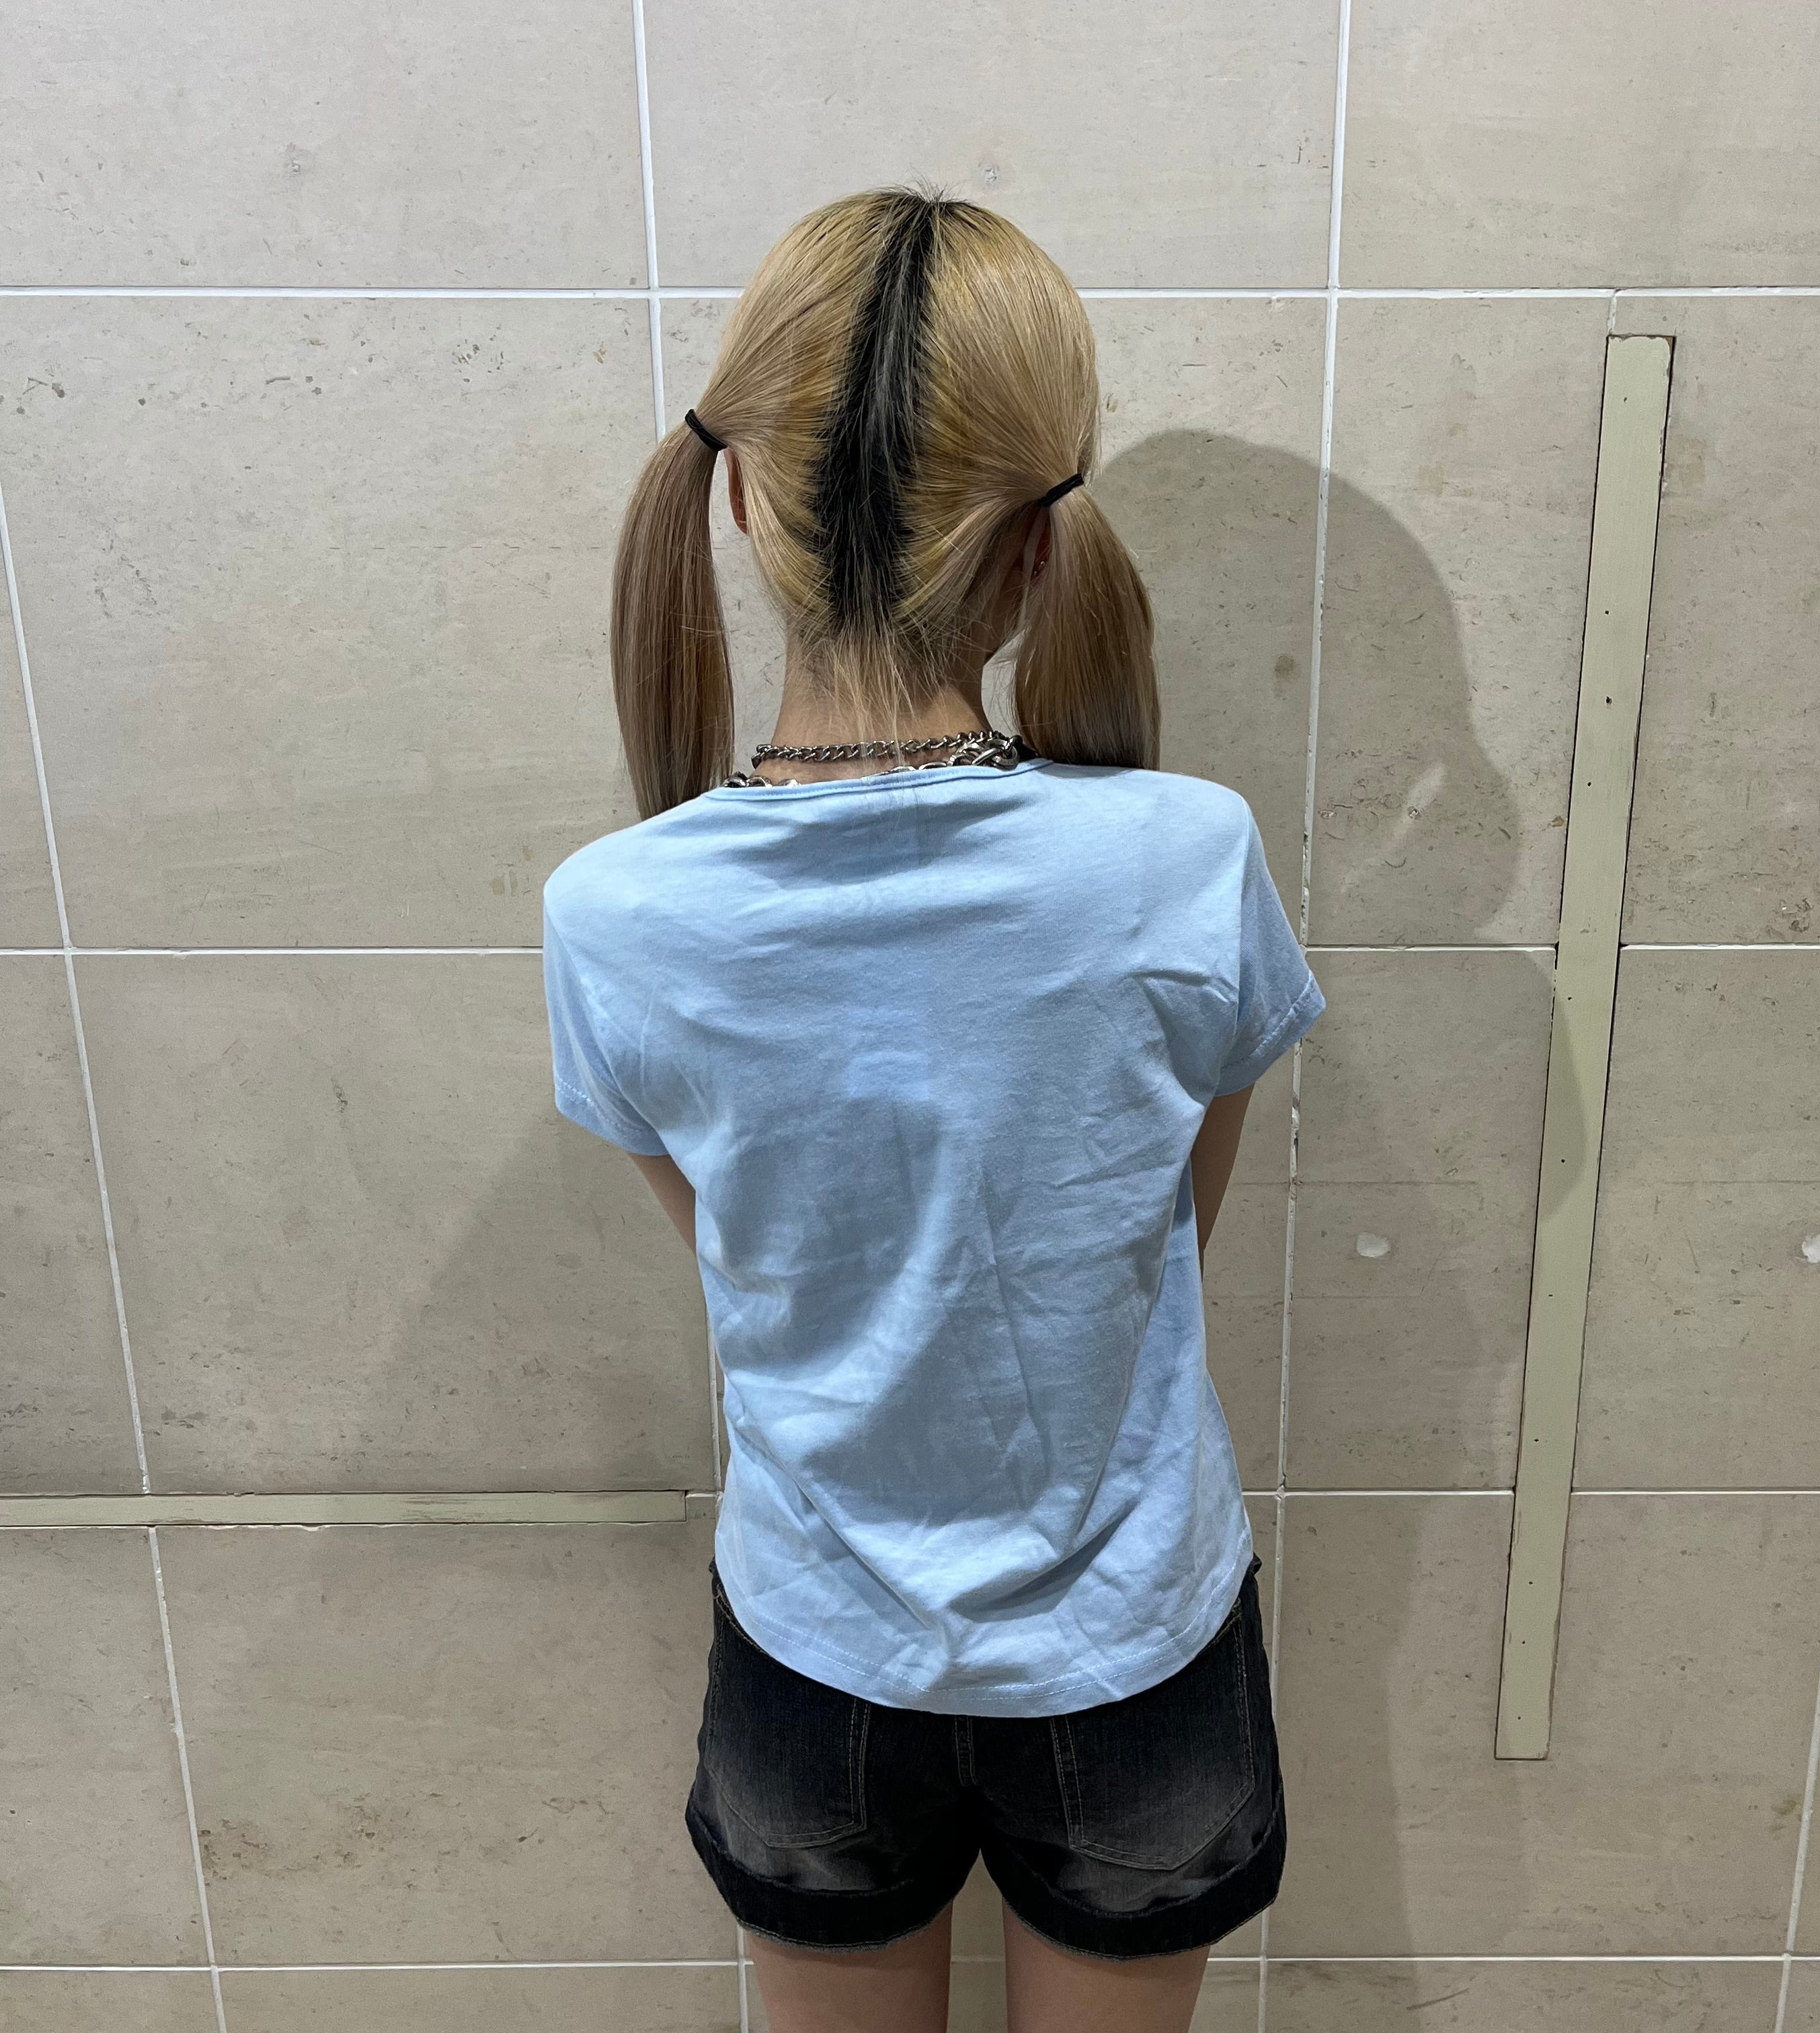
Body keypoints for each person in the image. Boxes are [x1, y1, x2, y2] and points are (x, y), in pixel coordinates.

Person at [541, 186, 1325, 2033]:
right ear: (1043, 544)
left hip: (820, 1657)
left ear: (745, 502)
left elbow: (753, 1266)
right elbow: (1159, 1233)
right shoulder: (1184, 857)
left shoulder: (614, 913)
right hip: (1132, 1654)